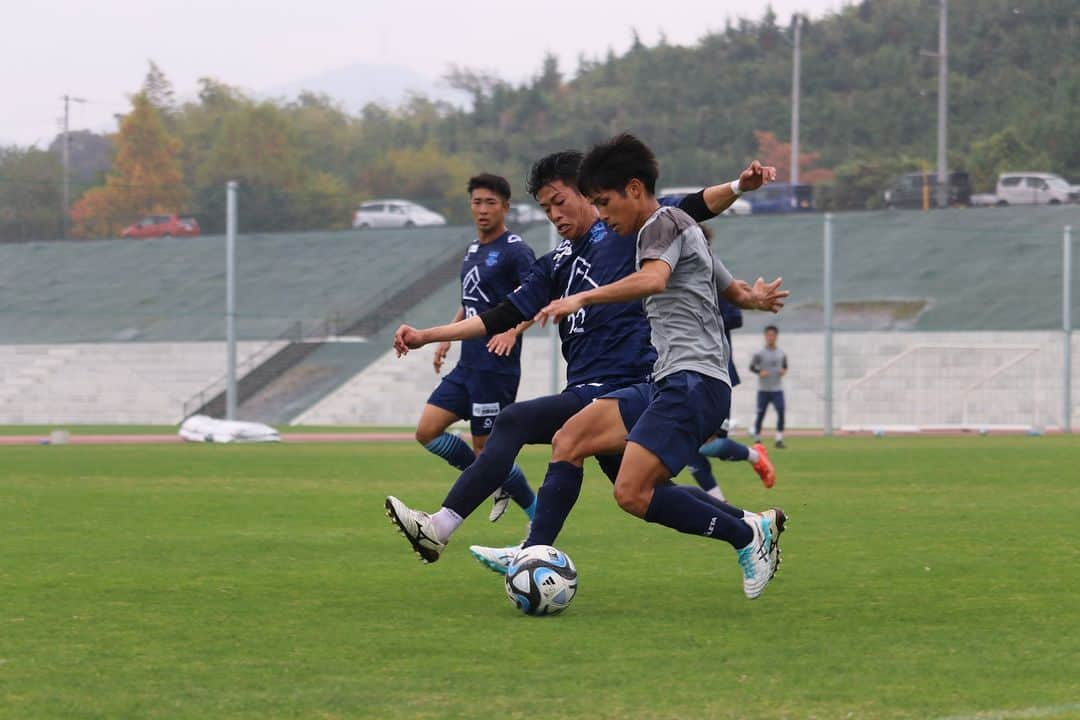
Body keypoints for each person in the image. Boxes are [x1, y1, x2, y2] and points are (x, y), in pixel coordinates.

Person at [384, 150, 770, 566]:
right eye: (546, 208)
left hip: (631, 381)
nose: (554, 214)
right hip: (591, 387)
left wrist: (737, 187)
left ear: (587, 195)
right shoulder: (554, 264)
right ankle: (750, 524)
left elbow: (690, 205)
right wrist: (428, 335)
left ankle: (449, 529)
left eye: (560, 201)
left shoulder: (629, 229)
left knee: (517, 421)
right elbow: (501, 316)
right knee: (642, 491)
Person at [517, 133, 788, 598]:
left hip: (692, 381)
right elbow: (734, 291)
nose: (601, 214)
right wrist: (756, 298)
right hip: (670, 381)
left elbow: (653, 280)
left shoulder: (659, 226)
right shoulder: (679, 226)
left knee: (632, 492)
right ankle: (532, 550)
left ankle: (746, 535)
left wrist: (580, 295)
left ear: (635, 190)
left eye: (604, 202)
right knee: (572, 439)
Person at [412, 173, 537, 524]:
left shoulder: (516, 251)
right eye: (477, 202)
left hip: (495, 368)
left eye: (490, 203)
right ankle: (493, 479)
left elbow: (539, 298)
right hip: (468, 365)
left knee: (487, 451)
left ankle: (537, 514)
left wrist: (513, 331)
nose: (483, 209)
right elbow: (472, 302)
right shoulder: (472, 249)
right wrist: (449, 336)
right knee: (427, 431)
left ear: (505, 207)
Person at [683, 223, 775, 500]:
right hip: (682, 372)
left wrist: (734, 296)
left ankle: (753, 455)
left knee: (707, 446)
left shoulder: (711, 274)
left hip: (715, 372)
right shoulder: (666, 276)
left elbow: (734, 316)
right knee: (688, 448)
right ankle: (722, 510)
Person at [751, 325, 788, 448]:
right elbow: (752, 367)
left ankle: (778, 439)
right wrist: (759, 371)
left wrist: (783, 371)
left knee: (781, 411)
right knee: (760, 413)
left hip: (777, 389)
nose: (770, 337)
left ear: (776, 336)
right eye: (768, 335)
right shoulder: (759, 353)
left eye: (773, 335)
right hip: (763, 389)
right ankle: (757, 439)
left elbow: (785, 366)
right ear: (765, 336)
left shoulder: (781, 353)